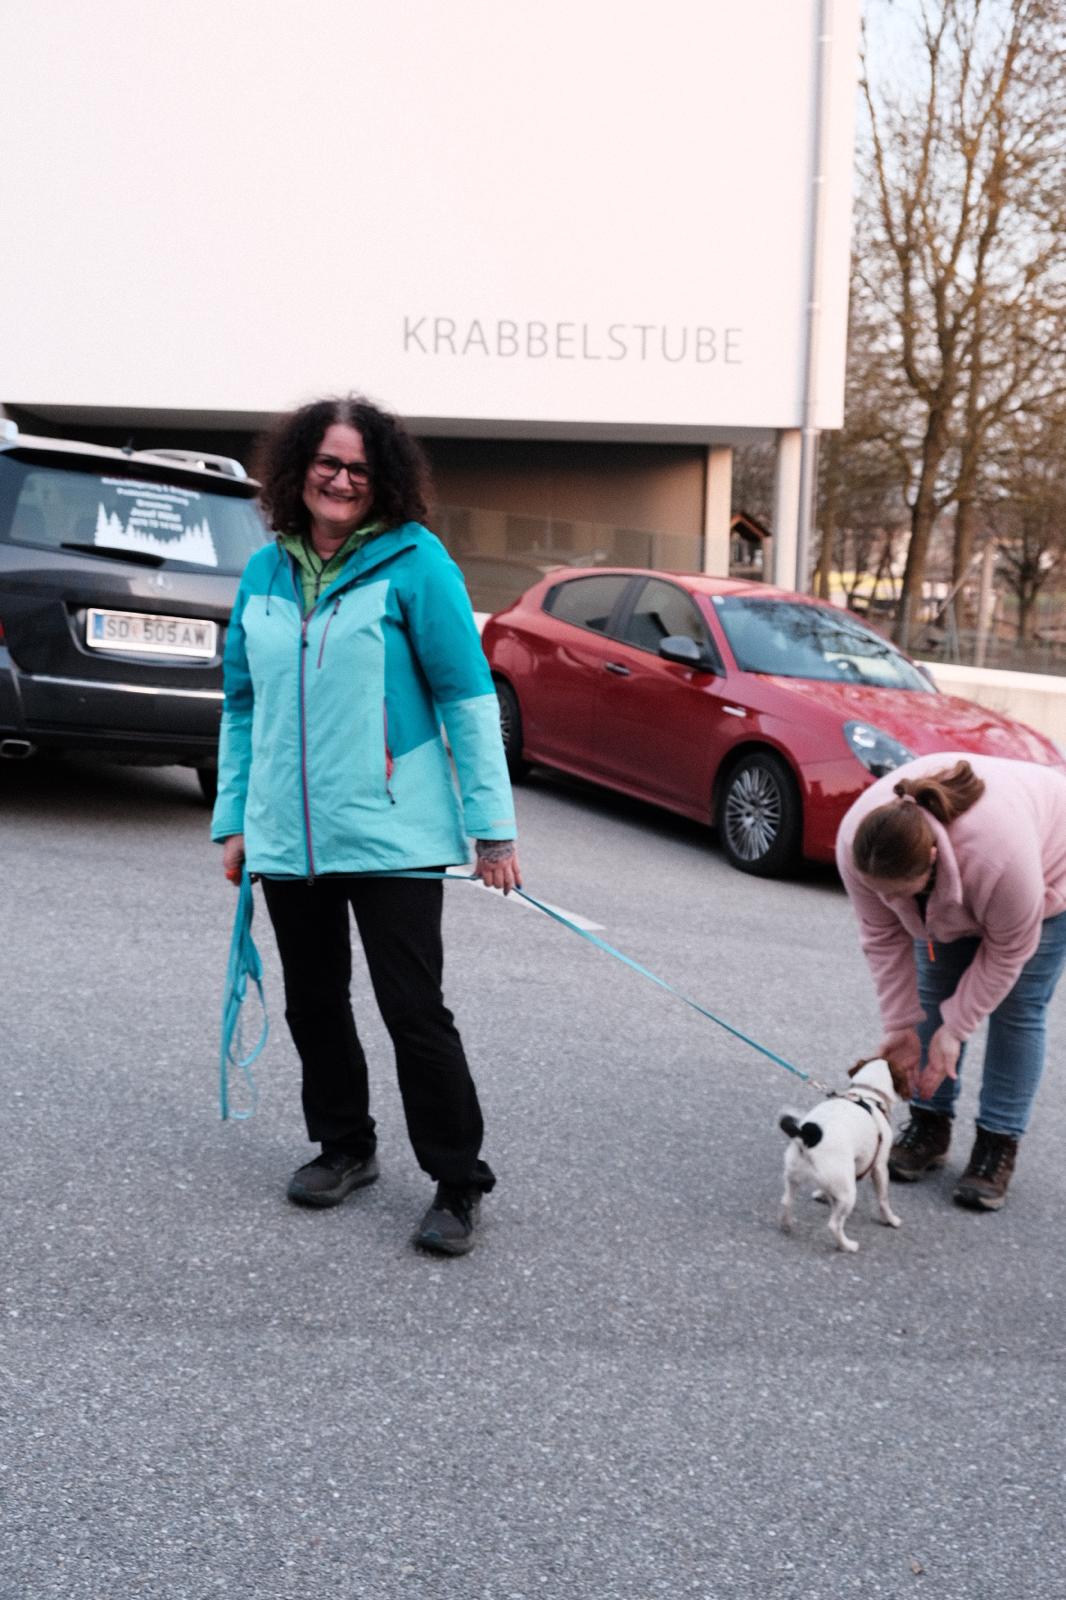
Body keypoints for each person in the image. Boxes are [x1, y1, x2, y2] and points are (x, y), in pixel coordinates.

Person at [211, 395, 519, 1256]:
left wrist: (493, 830)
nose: (342, 480)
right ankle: (344, 1146)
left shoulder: (417, 562)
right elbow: (242, 706)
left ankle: (458, 1182)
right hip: (288, 835)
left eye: (359, 468)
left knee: (413, 1011)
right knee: (314, 1003)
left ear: (383, 480)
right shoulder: (264, 571)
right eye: (328, 463)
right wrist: (235, 820)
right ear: (299, 469)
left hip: (394, 835)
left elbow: (467, 698)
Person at [836, 753, 1066, 1211]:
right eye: (879, 890)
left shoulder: (999, 858)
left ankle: (997, 1144)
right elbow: (882, 937)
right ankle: (930, 1125)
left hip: (1046, 867)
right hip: (962, 871)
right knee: (930, 997)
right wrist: (901, 1024)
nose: (886, 900)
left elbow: (1007, 952)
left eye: (897, 892)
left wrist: (956, 1030)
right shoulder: (857, 843)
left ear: (932, 860)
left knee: (1018, 1011)